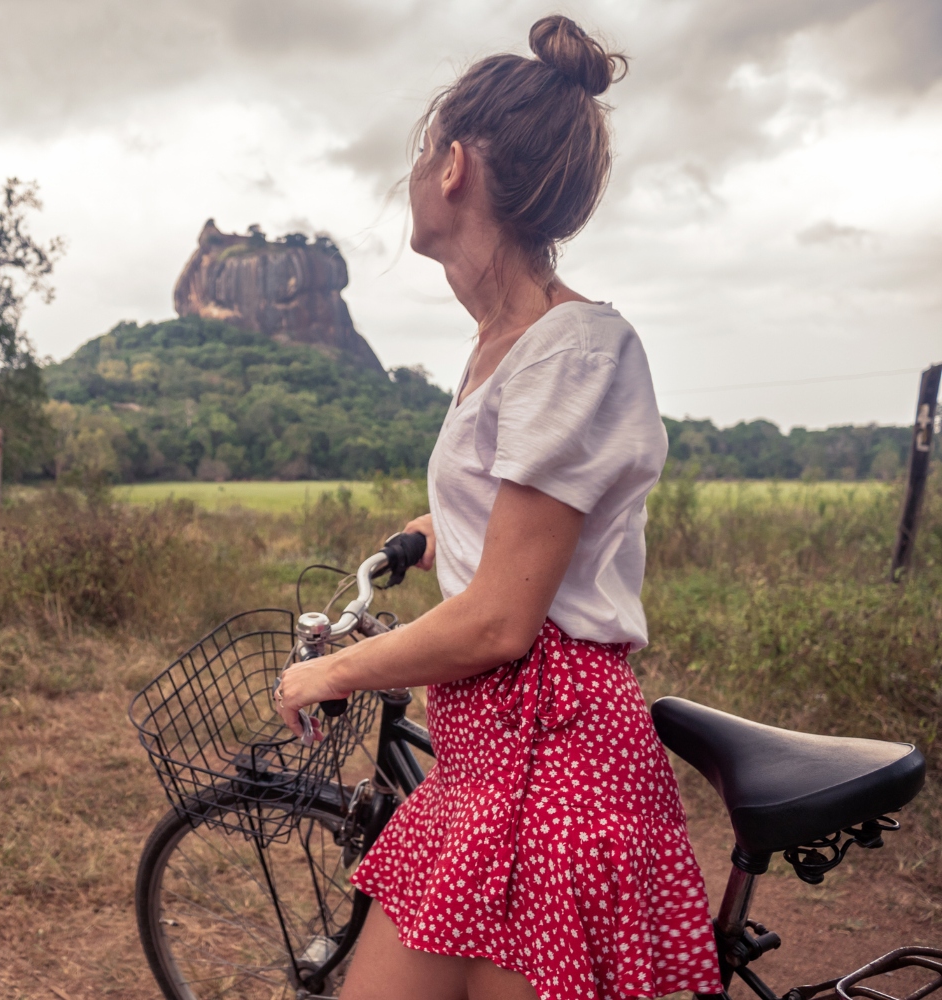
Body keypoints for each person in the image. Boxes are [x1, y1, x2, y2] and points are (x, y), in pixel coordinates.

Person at [274, 15, 723, 1000]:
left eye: (423, 148)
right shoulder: (502, 346)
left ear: (453, 167)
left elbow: (501, 620)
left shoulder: (571, 346)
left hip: (554, 769)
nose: (414, 168)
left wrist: (331, 672)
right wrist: (451, 532)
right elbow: (526, 529)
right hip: (491, 763)